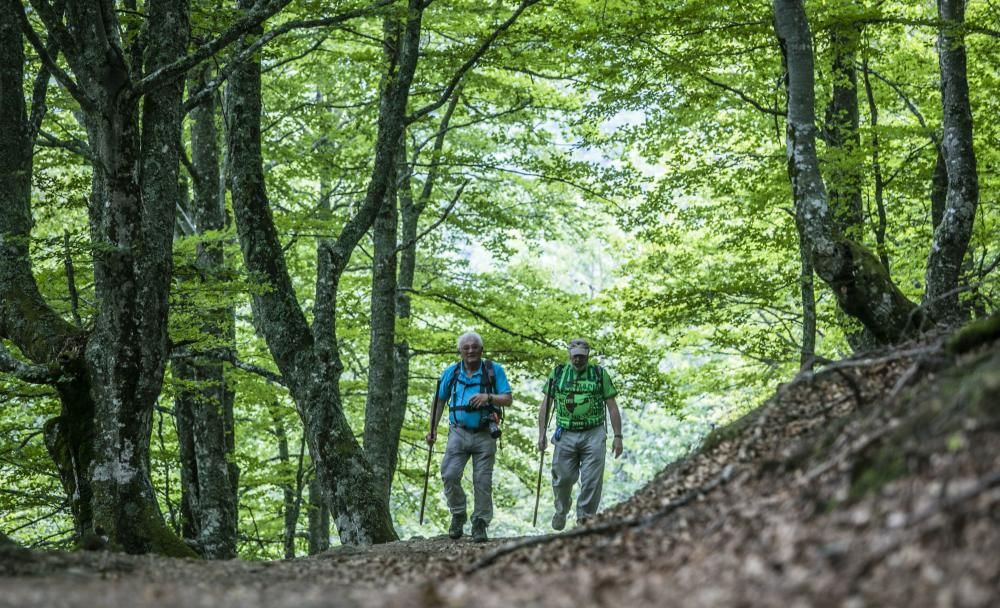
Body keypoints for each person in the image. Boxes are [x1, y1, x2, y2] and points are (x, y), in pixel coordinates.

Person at [426, 332, 512, 542]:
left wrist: (488, 397)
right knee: (449, 474)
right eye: (466, 347)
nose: (471, 350)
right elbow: (439, 401)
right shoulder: (452, 372)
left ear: (481, 350)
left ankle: (480, 523)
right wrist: (432, 428)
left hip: (485, 433)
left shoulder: (494, 370)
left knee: (482, 481)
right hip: (458, 432)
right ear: (460, 351)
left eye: (475, 347)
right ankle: (458, 514)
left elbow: (507, 399)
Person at [536, 338, 622, 530]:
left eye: (582, 356)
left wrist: (618, 436)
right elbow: (546, 404)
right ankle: (561, 509)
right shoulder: (558, 374)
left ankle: (585, 520)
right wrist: (541, 433)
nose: (578, 360)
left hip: (594, 433)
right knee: (562, 478)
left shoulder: (599, 374)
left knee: (592, 480)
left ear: (588, 356)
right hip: (565, 433)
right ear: (569, 355)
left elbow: (612, 407)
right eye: (575, 356)